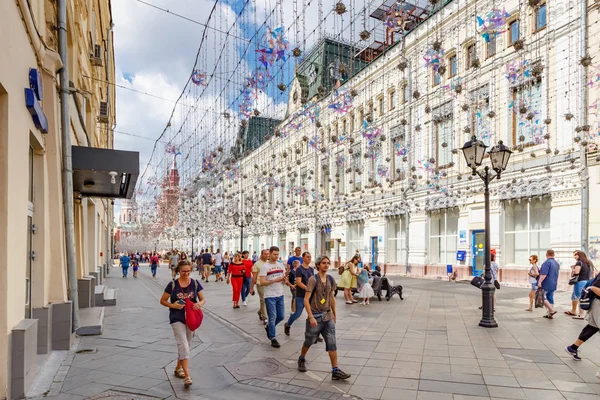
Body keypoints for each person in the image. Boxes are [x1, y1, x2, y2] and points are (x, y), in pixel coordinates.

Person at [297, 255, 350, 381]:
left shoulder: (331, 279)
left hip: (327, 316)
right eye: (323, 263)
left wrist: (335, 314)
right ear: (318, 265)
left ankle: (335, 370)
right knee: (309, 341)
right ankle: (301, 358)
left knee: (332, 343)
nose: (326, 265)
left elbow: (332, 298)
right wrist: (310, 317)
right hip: (315, 317)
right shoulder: (312, 279)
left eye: (328, 263)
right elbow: (306, 300)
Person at [159, 260, 205, 388]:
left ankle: (178, 367)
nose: (186, 273)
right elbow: (162, 300)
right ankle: (187, 375)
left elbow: (202, 299)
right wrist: (172, 305)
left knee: (186, 344)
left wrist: (199, 304)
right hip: (176, 317)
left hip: (191, 318)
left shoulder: (195, 283)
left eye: (188, 271)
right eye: (183, 271)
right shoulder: (172, 284)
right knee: (183, 344)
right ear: (178, 271)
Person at [260, 246, 292, 348]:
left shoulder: (280, 265)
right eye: (274, 254)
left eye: (278, 254)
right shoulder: (265, 267)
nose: (276, 256)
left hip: (280, 293)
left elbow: (283, 278)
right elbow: (262, 282)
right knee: (272, 317)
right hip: (270, 295)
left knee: (281, 316)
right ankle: (273, 338)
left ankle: (269, 327)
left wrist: (286, 281)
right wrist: (274, 280)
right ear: (269, 254)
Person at [565, 272, 600, 363]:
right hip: (598, 305)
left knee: (592, 327)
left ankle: (573, 347)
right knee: (592, 326)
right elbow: (596, 288)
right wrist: (592, 288)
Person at [285, 252, 314, 336]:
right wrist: (307, 288)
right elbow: (298, 282)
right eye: (307, 257)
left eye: (310, 257)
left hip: (310, 296)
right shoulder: (299, 269)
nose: (309, 258)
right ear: (303, 258)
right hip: (301, 295)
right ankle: (288, 324)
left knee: (312, 314)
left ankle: (313, 333)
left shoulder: (311, 269)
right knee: (297, 313)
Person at [566, 250, 595, 319]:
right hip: (588, 281)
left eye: (575, 255)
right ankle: (574, 311)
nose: (574, 257)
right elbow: (593, 272)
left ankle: (581, 315)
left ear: (579, 255)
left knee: (580, 298)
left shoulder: (579, 263)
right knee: (576, 296)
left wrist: (573, 269)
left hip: (580, 282)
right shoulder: (589, 262)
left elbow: (576, 272)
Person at [538, 249, 560, 319]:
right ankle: (549, 314)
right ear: (554, 254)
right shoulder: (556, 263)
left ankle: (551, 310)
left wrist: (539, 282)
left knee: (541, 296)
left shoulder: (546, 263)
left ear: (546, 254)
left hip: (546, 283)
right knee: (550, 297)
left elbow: (544, 274)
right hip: (553, 282)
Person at [251, 249, 269, 324]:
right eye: (265, 254)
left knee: (268, 301)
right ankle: (265, 317)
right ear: (261, 254)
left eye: (268, 254)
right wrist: (251, 287)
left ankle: (260, 311)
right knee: (263, 300)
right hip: (260, 284)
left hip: (269, 284)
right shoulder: (257, 264)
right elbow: (254, 277)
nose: (267, 255)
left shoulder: (270, 263)